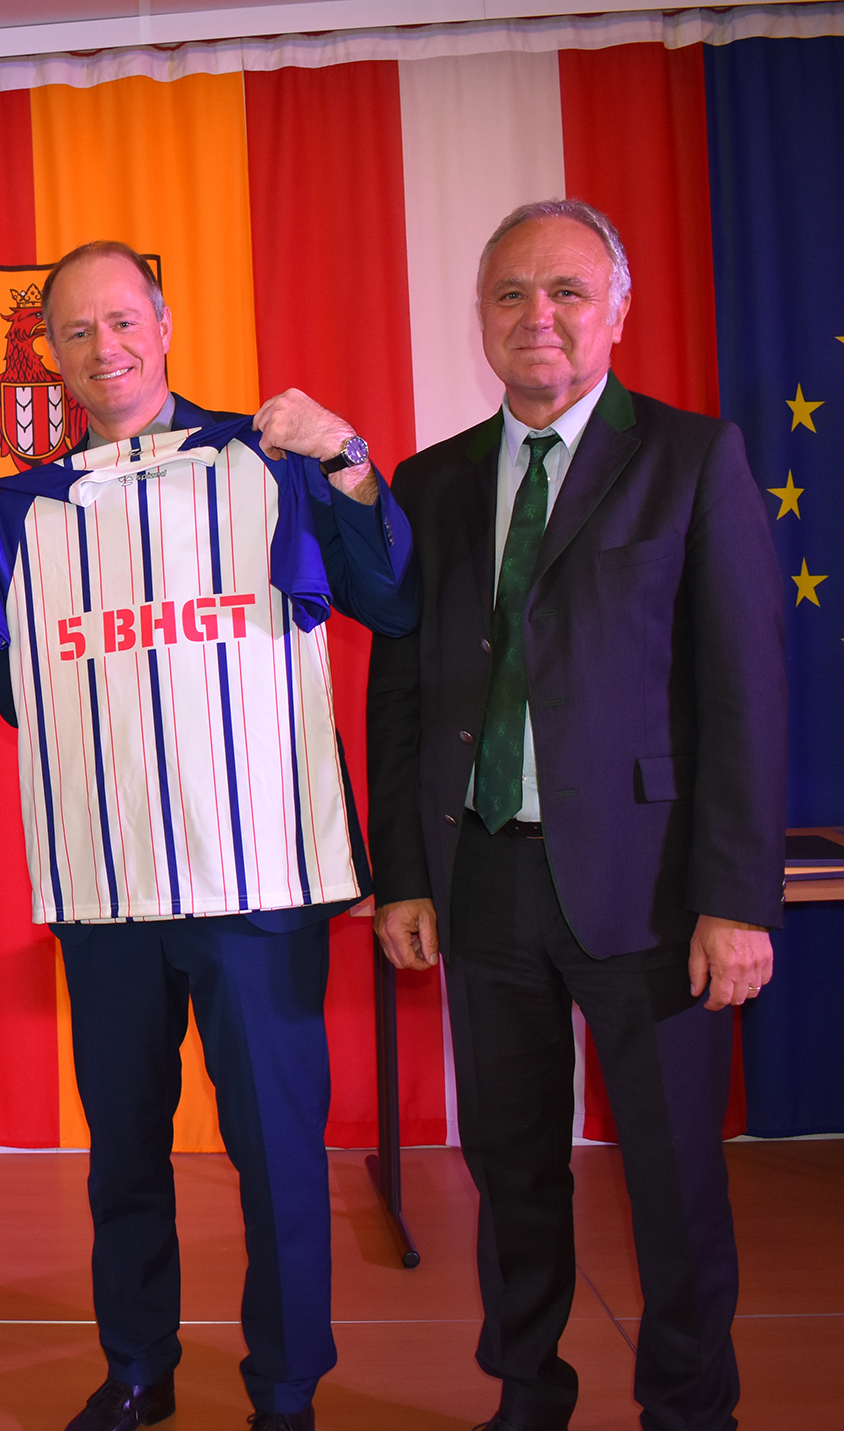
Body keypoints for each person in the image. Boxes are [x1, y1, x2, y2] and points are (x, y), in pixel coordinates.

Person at [0, 241, 418, 1431]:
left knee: (277, 1157)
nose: (103, 348)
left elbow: (391, 598)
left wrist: (347, 457)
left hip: (257, 880)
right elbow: (17, 689)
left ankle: (285, 1392)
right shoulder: (19, 513)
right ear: (51, 355)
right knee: (124, 1161)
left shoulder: (272, 461)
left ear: (163, 325)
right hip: (104, 887)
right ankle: (136, 1372)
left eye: (121, 321)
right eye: (75, 331)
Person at [366, 199, 782, 1431]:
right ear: (480, 316)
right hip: (482, 879)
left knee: (671, 1179)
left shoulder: (692, 459)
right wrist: (404, 873)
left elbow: (742, 694)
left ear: (615, 311)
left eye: (564, 292)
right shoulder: (430, 482)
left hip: (650, 890)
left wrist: (734, 901)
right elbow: (401, 694)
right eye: (509, 294)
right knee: (510, 1171)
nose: (535, 316)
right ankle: (525, 1397)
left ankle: (687, 1408)